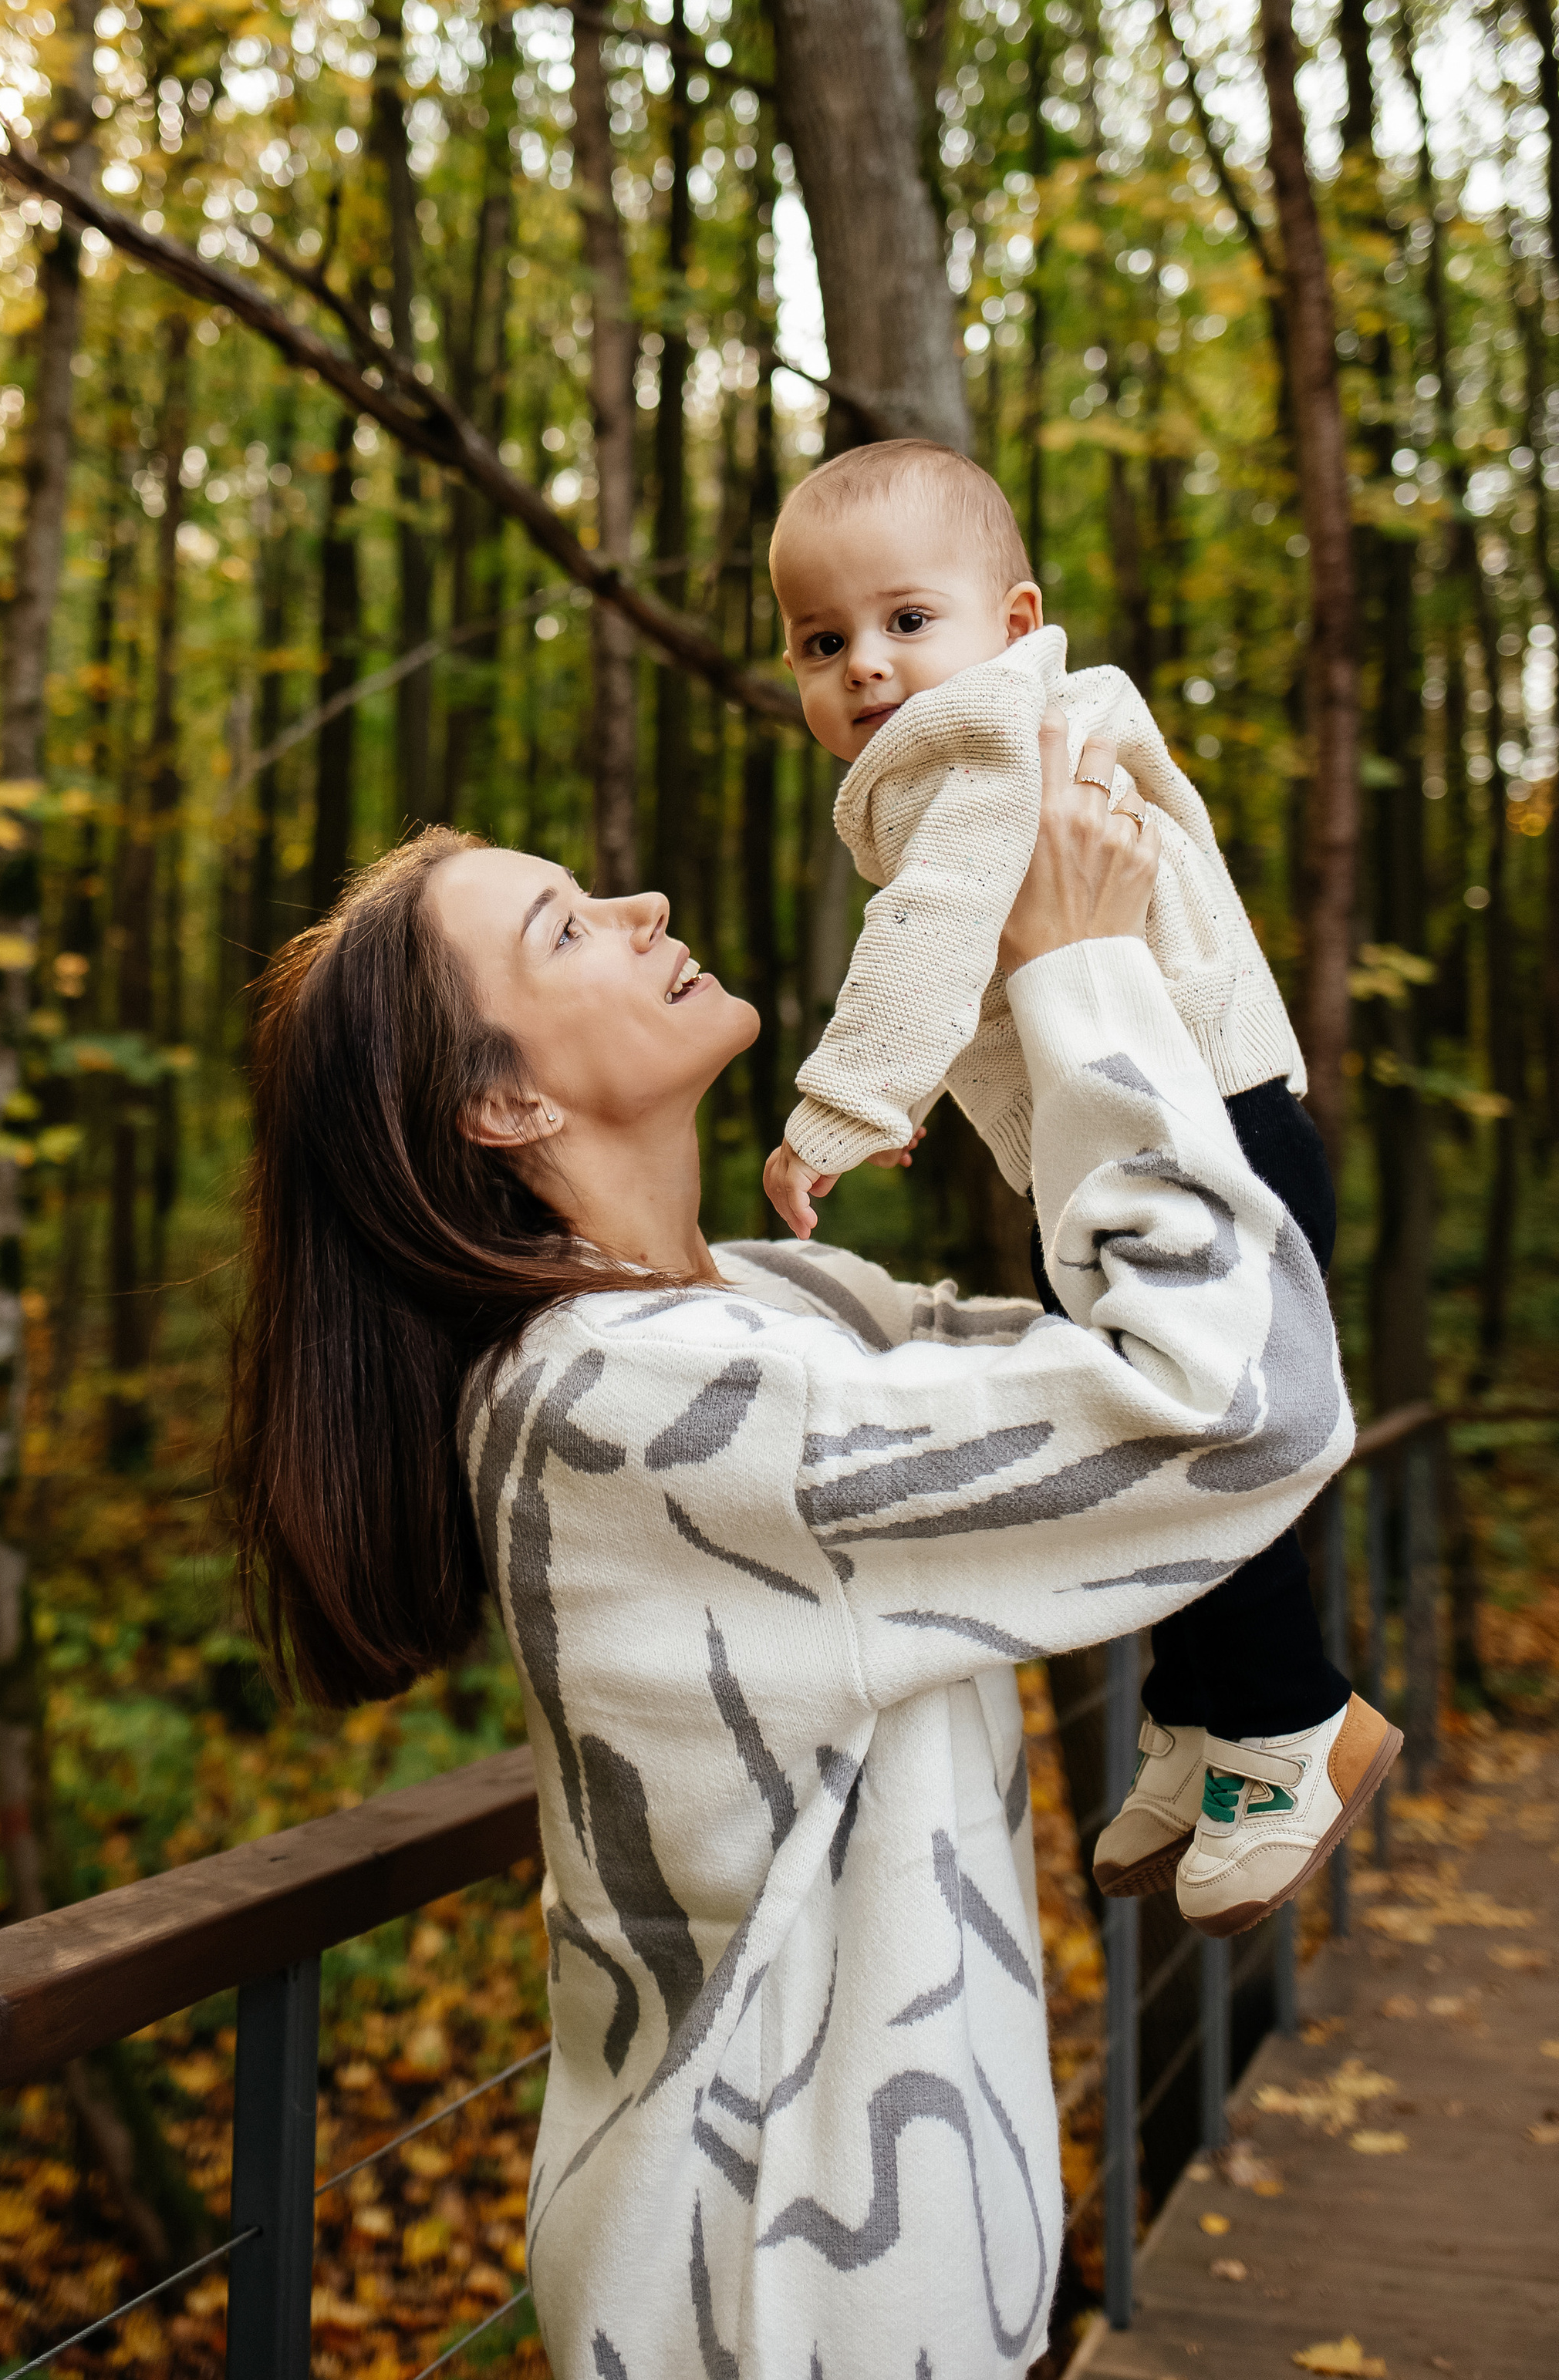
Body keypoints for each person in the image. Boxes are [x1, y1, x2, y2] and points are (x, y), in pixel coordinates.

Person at [224, 728, 1381, 2378]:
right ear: (504, 1096)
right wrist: (1083, 974)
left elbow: (1147, 1349)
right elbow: (1230, 1406)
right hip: (784, 2290)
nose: (642, 902)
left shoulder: (761, 1311)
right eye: (565, 925)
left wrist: (1024, 988)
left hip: (884, 2269)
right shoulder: (628, 1402)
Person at [760, 440, 1397, 1933]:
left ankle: (1289, 1725)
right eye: (818, 640)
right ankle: (1194, 1718)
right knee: (1130, 1435)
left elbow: (928, 926)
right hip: (1162, 1130)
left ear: (1009, 615)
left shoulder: (983, 740)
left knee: (1174, 1439)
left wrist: (841, 1105)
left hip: (1193, 1140)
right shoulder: (1021, 730)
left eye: (905, 619)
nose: (864, 665)